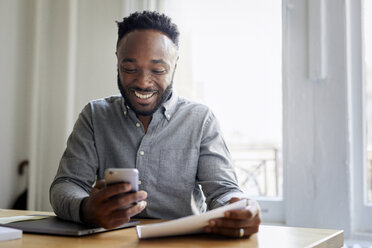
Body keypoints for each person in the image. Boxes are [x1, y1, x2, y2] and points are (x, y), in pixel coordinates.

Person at [50, 11, 260, 238]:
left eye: (158, 70)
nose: (142, 82)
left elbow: (223, 192)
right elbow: (66, 184)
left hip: (183, 243)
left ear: (175, 66)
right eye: (129, 69)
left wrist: (238, 208)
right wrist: (85, 208)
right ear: (117, 61)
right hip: (111, 242)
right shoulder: (94, 116)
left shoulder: (200, 120)